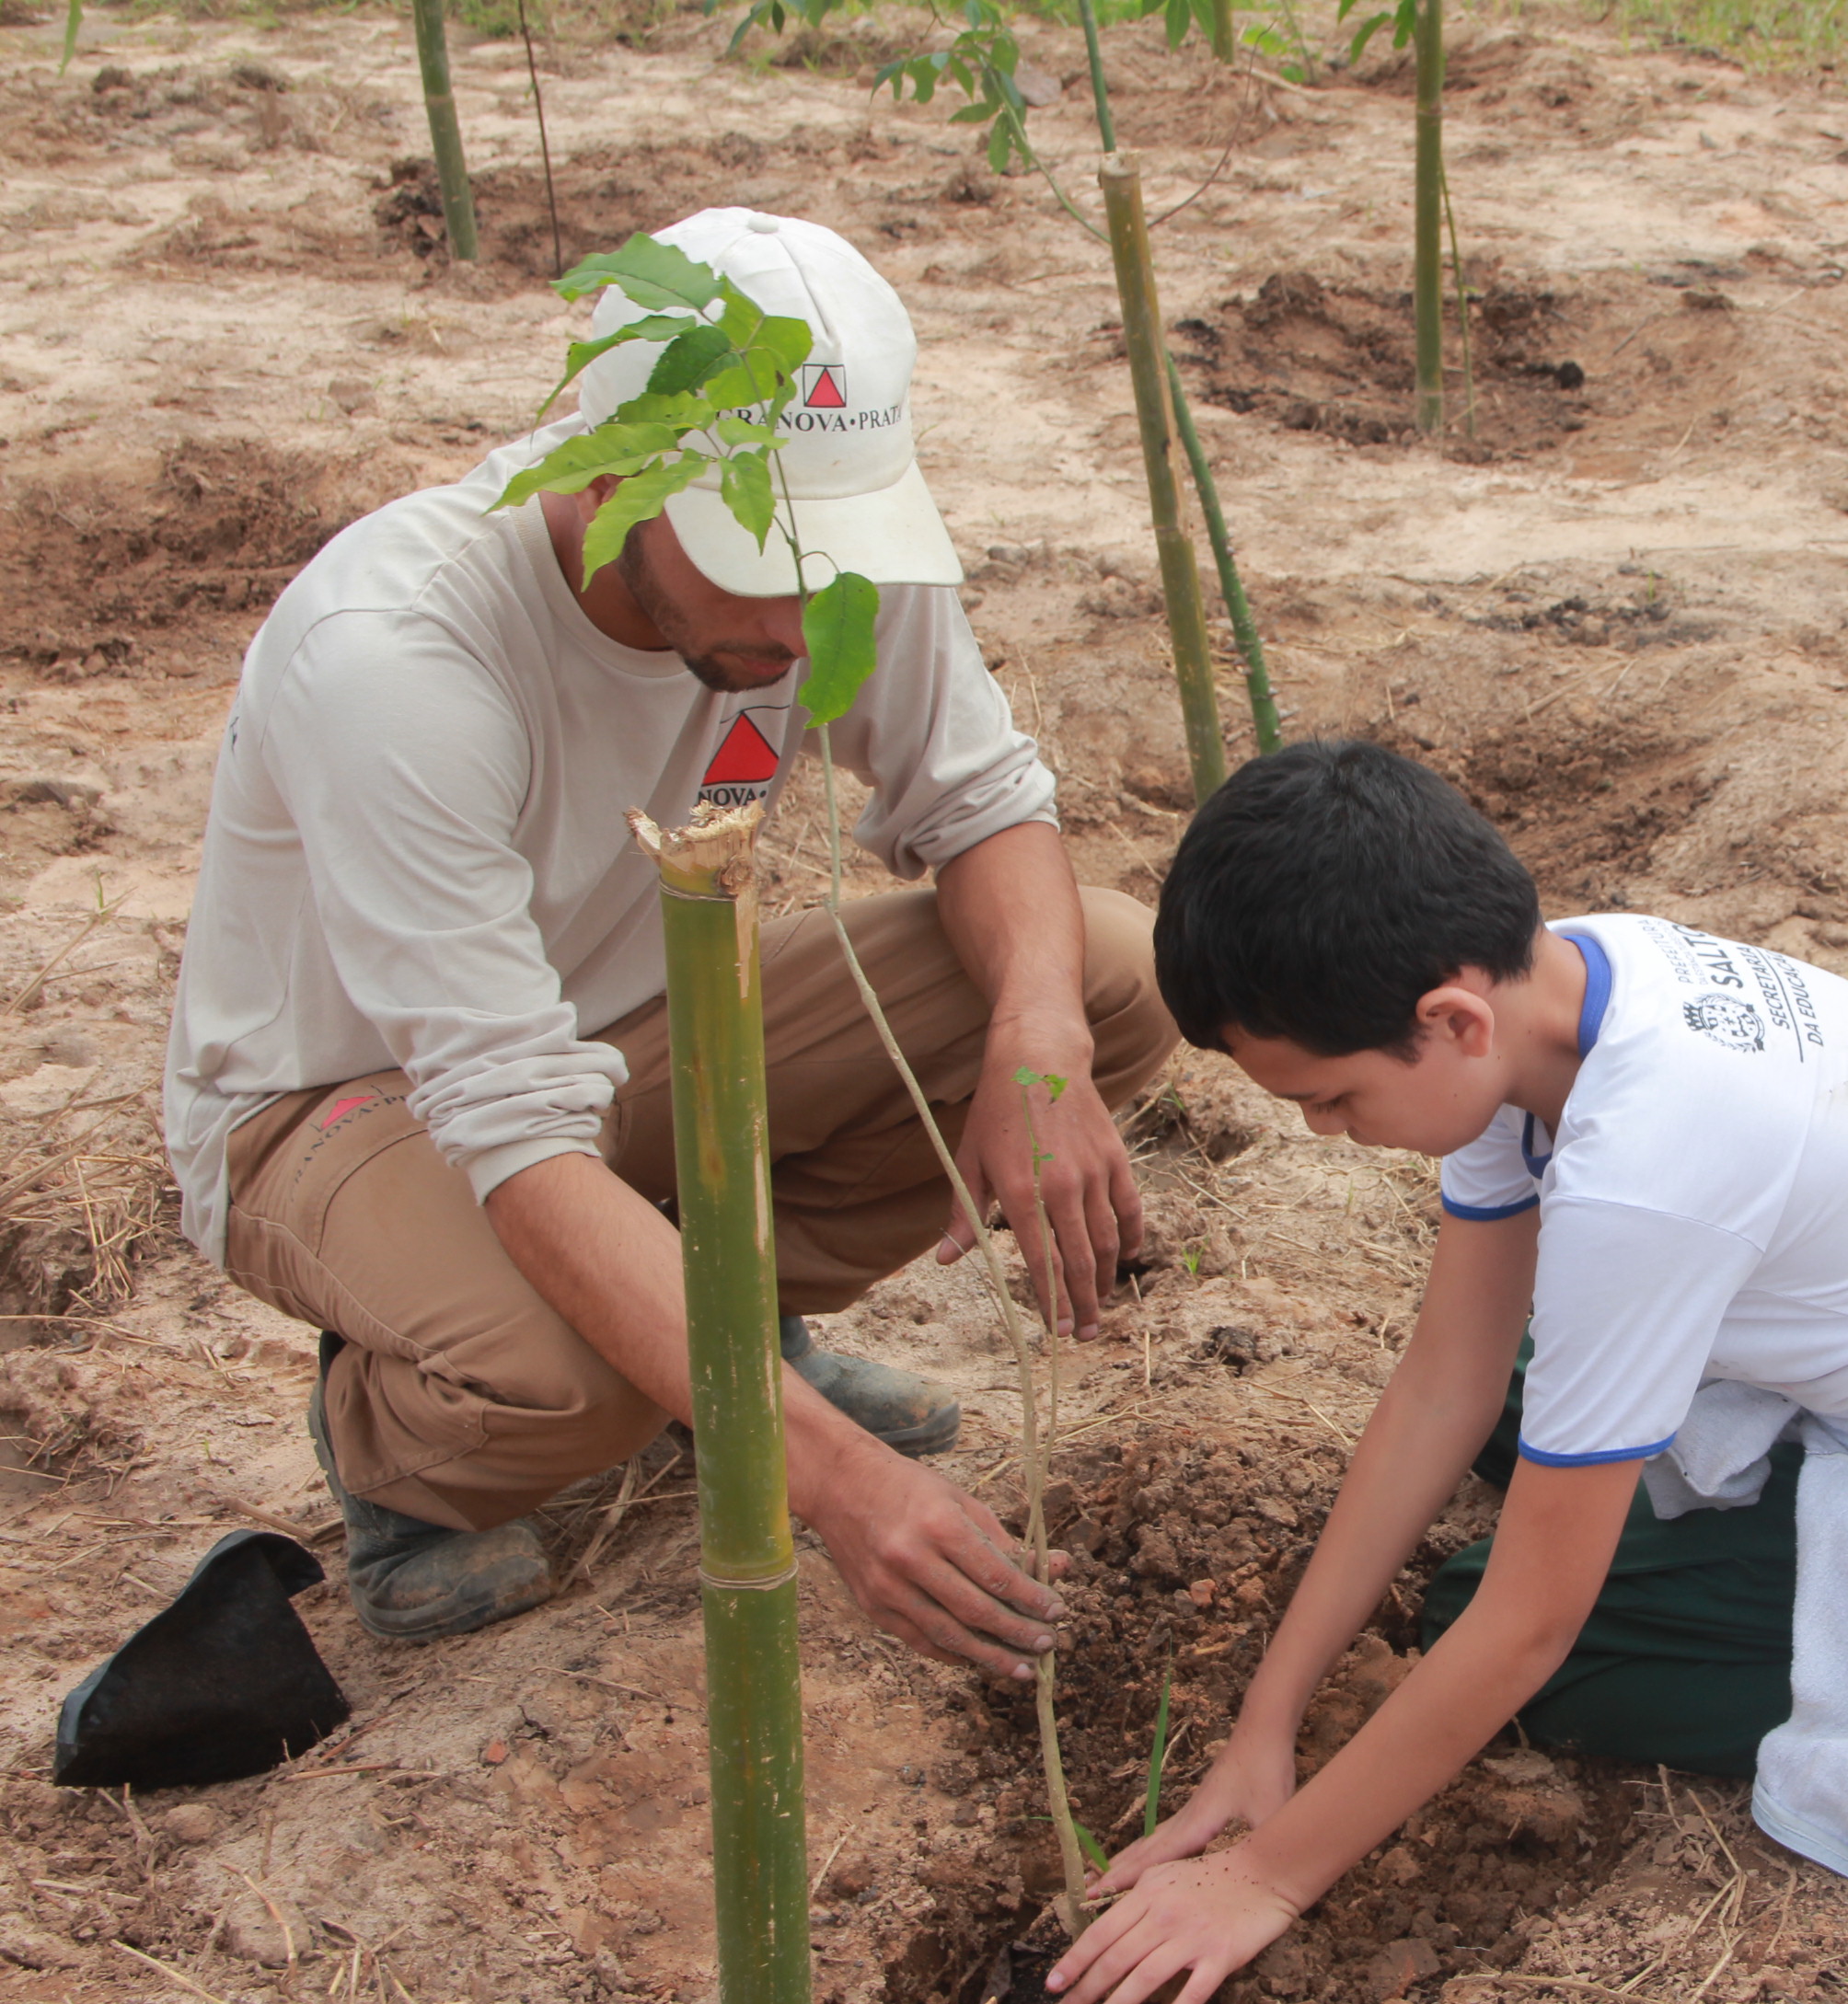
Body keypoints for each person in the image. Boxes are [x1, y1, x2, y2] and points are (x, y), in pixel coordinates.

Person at [1045, 740, 1848, 2004]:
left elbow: (1531, 1625)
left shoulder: (1650, 1161)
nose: (1326, 1131)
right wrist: (1270, 1720)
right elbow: (1449, 1380)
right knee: (1527, 1401)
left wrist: (1262, 1879)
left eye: (1332, 1098)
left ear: (1448, 1022)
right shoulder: (1555, 982)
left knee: (1501, 1626)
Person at [161, 208, 1174, 1675]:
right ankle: (397, 1441)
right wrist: (822, 1479)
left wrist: (1038, 1040)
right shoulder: (397, 654)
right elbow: (505, 1117)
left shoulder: (830, 567)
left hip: (636, 1047)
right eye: (753, 551)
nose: (804, 610)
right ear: (616, 469)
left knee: (1097, 970)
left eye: (832, 553)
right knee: (574, 1388)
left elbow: (984, 805)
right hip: (347, 1102)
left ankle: (727, 1333)